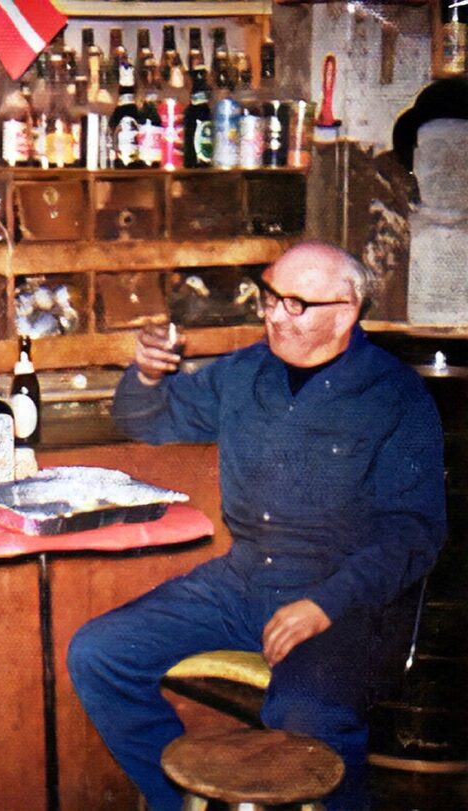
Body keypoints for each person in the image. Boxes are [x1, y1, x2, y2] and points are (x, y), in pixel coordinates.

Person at [68, 241, 446, 810]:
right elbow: (149, 420)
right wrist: (146, 377)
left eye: (294, 304)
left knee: (306, 713)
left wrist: (325, 603)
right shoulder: (244, 372)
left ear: (344, 313)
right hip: (244, 581)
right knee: (99, 653)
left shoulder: (395, 394)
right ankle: (179, 801)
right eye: (270, 296)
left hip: (347, 603)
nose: (272, 314)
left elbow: (412, 531)